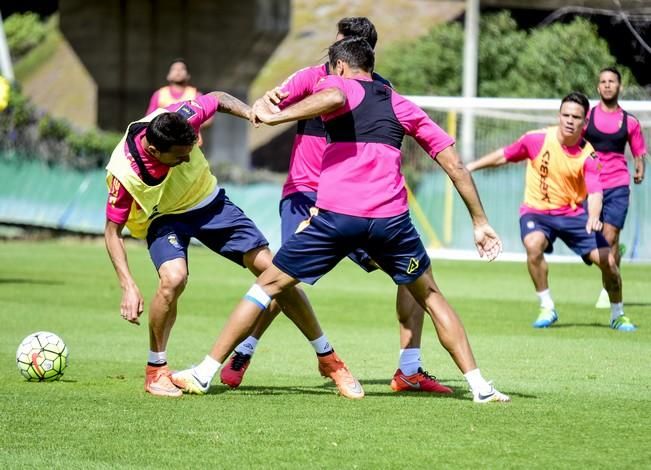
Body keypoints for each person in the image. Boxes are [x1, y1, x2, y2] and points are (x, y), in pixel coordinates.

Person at [172, 37, 510, 403]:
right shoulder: (401, 103)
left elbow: (333, 97)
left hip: (337, 219)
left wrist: (276, 116)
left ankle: (204, 372)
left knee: (266, 286)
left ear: (341, 66)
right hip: (390, 222)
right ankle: (480, 387)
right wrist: (480, 221)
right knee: (430, 295)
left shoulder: (337, 82)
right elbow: (455, 165)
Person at [220, 17, 452, 395]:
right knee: (281, 278)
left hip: (357, 201)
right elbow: (267, 103)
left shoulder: (382, 91)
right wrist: (264, 108)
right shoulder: (311, 78)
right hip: (304, 193)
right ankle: (245, 349)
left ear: (360, 53)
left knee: (412, 274)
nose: (334, 54)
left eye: (343, 46)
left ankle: (409, 368)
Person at [104, 92, 362, 398]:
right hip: (164, 218)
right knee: (173, 279)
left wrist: (252, 113)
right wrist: (128, 285)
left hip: (211, 206)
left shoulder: (182, 115)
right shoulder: (125, 173)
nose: (188, 159)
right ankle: (156, 369)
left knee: (277, 272)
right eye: (180, 157)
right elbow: (111, 232)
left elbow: (218, 98)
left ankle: (329, 360)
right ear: (154, 150)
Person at [467, 92, 635, 331]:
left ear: (584, 122)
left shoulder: (589, 155)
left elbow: (596, 192)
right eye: (565, 115)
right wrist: (471, 167)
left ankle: (618, 314)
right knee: (533, 245)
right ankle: (547, 306)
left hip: (573, 214)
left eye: (576, 117)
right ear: (559, 116)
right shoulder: (536, 139)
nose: (569, 120)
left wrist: (594, 216)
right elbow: (504, 155)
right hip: (536, 212)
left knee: (608, 261)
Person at [584, 67, 647, 309]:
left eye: (612, 81)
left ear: (619, 87)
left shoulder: (629, 121)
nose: (608, 85)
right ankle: (610, 259)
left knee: (610, 237)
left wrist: (640, 168)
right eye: (603, 82)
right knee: (592, 239)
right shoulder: (587, 118)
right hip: (590, 186)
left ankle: (607, 288)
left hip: (618, 185)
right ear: (598, 87)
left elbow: (639, 150)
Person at [146, 59, 210, 145]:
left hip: (191, 143)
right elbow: (149, 118)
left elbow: (208, 120)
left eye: (182, 69)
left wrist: (186, 127)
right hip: (164, 143)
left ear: (188, 75)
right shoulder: (159, 94)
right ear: (168, 75)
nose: (178, 71)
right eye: (174, 69)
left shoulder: (196, 95)